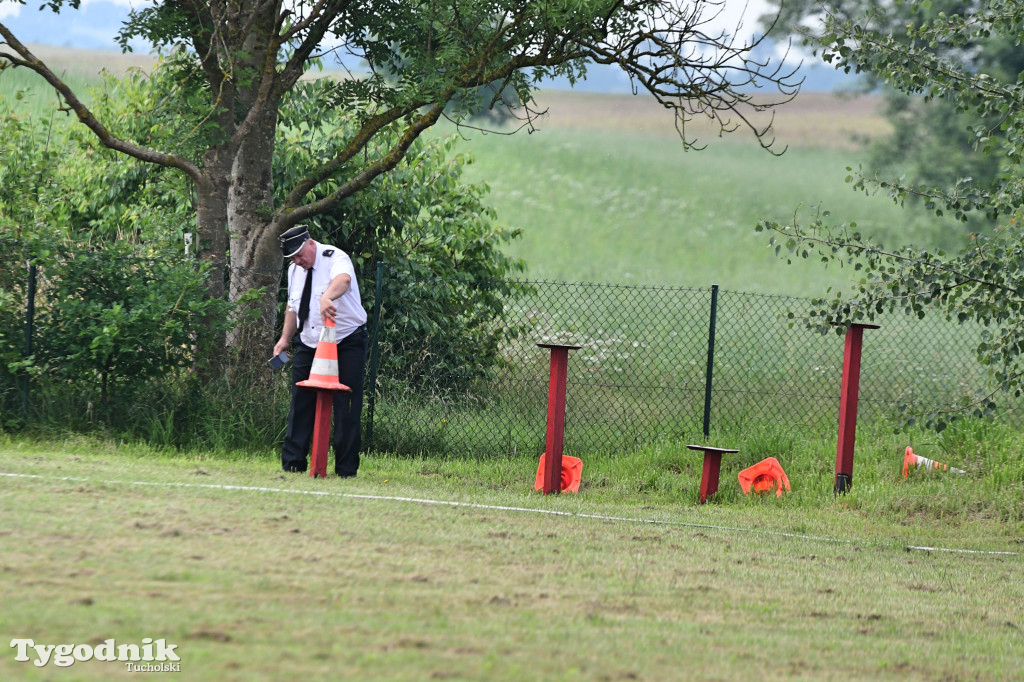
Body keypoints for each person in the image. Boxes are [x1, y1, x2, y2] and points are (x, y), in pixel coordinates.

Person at [273, 224, 368, 476]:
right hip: (309, 341)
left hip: (346, 341)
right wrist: (284, 339)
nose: (296, 260)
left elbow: (344, 280)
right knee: (300, 401)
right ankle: (293, 464)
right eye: (291, 257)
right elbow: (293, 307)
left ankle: (346, 469)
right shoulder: (295, 269)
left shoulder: (334, 257)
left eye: (299, 254)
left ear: (311, 243)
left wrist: (327, 297)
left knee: (346, 404)